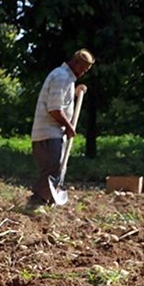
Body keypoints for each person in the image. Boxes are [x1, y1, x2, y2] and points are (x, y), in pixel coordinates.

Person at [30, 48, 95, 205]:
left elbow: (60, 100)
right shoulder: (62, 77)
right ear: (76, 62)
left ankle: (44, 201)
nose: (83, 72)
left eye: (87, 70)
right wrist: (69, 126)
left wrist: (74, 93)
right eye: (83, 68)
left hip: (50, 133)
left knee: (53, 169)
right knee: (52, 168)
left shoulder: (66, 79)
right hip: (48, 133)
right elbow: (54, 109)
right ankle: (36, 202)